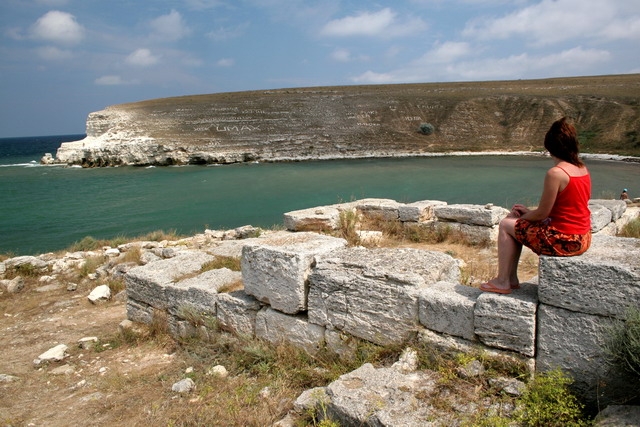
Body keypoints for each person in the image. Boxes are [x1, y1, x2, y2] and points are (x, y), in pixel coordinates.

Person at [481, 117, 592, 294]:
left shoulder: (556, 173)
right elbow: (565, 207)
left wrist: (521, 217)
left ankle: (503, 280)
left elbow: (541, 214)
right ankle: (511, 279)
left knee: (506, 224)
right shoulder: (581, 168)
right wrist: (529, 213)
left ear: (550, 148)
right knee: (516, 226)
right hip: (582, 237)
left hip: (564, 240)